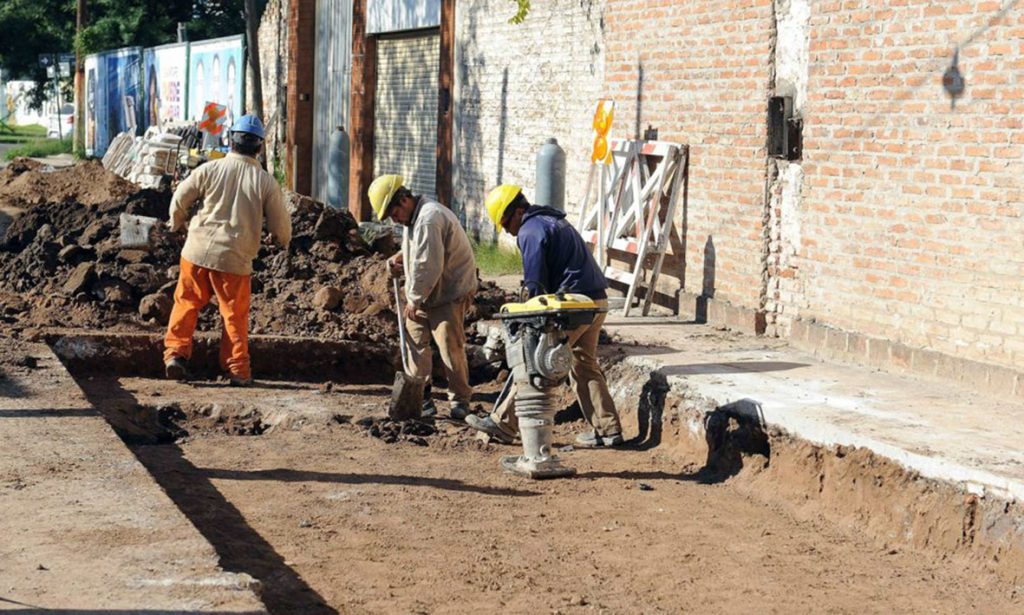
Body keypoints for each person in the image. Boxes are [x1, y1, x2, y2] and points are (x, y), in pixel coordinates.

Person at [465, 185, 624, 447]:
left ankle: (503, 423)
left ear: (518, 212)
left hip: (572, 307)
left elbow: (536, 283)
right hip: (595, 302)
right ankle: (608, 429)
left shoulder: (530, 231)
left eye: (506, 223)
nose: (507, 230)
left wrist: (532, 318)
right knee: (584, 365)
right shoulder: (553, 221)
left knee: (535, 362)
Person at [163, 115, 291, 386]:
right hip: (234, 260)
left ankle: (175, 355)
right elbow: (280, 225)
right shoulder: (265, 182)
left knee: (186, 303)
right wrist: (281, 240)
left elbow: (180, 198)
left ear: (231, 139)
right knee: (234, 315)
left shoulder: (209, 169)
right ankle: (238, 370)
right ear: (259, 147)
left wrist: (176, 224)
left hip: (196, 252)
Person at [368, 175, 477, 420]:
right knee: (414, 341)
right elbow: (419, 249)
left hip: (450, 291)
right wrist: (399, 258)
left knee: (450, 345)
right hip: (428, 291)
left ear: (404, 200)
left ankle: (460, 400)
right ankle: (421, 396)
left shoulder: (429, 218)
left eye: (394, 213)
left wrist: (414, 299)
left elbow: (429, 265)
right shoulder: (414, 219)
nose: (394, 220)